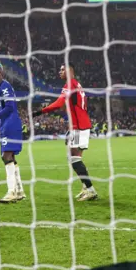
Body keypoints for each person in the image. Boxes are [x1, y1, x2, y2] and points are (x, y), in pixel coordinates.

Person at [32, 63, 98, 201]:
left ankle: (91, 190)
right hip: (80, 125)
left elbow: (58, 103)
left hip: (79, 126)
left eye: (62, 69)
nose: (59, 72)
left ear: (70, 70)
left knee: (75, 160)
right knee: (73, 157)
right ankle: (86, 188)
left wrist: (40, 111)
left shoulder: (69, 85)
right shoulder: (77, 84)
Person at [0, 63, 25, 203]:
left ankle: (11, 192)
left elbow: (10, 107)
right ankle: (19, 190)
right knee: (11, 158)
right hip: (6, 125)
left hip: (11, 124)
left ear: (0, 73)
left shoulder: (5, 87)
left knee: (6, 156)